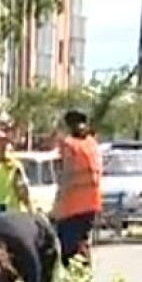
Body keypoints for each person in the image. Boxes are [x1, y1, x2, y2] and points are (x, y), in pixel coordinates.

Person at [52, 109, 103, 267]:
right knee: (82, 243)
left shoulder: (70, 145)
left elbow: (67, 176)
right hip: (92, 205)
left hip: (72, 207)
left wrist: (56, 207)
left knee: (67, 249)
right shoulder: (92, 144)